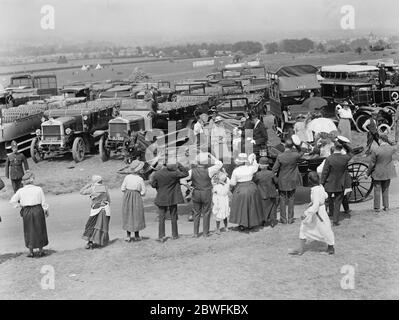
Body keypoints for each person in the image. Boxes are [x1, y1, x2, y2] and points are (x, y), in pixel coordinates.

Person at [289, 172, 335, 255]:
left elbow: (316, 205)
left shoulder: (315, 190)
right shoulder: (321, 187)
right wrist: (315, 201)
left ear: (309, 181)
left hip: (317, 213)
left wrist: (306, 213)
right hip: (321, 211)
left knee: (323, 229)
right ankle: (300, 249)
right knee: (308, 227)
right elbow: (325, 196)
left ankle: (330, 248)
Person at [181, 152, 223, 237]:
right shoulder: (210, 170)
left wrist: (189, 187)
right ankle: (205, 232)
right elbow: (219, 164)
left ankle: (195, 233)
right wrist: (210, 155)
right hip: (206, 192)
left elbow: (182, 180)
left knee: (196, 213)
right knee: (206, 212)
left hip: (196, 192)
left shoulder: (191, 171)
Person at [9, 172, 49, 258]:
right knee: (40, 229)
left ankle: (31, 251)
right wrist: (46, 210)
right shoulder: (38, 189)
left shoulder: (21, 191)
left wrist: (19, 206)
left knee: (29, 230)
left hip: (26, 211)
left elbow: (12, 201)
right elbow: (43, 202)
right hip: (38, 210)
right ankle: (41, 250)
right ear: (32, 180)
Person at [150, 158, 189, 242]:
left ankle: (161, 236)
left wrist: (159, 187)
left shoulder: (157, 174)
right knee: (173, 216)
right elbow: (186, 173)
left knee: (161, 218)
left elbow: (153, 185)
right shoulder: (174, 173)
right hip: (172, 197)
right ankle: (175, 235)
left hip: (161, 196)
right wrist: (179, 164)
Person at [272, 136, 304, 224]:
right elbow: (301, 152)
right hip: (293, 179)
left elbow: (274, 170)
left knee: (282, 198)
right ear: (292, 146)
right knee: (291, 199)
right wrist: (297, 145)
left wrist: (275, 179)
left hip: (282, 179)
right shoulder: (295, 155)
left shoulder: (280, 156)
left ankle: (283, 218)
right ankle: (290, 218)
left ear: (285, 145)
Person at [320, 139, 352, 226]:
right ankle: (335, 221)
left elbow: (325, 173)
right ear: (341, 148)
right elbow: (350, 152)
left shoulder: (329, 159)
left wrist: (321, 183)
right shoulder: (345, 158)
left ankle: (322, 218)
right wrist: (344, 144)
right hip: (340, 184)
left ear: (333, 147)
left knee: (327, 201)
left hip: (329, 183)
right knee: (338, 202)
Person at [229, 153, 263, 230]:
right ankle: (251, 223)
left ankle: (242, 224)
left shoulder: (236, 171)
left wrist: (230, 189)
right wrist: (253, 158)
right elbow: (256, 165)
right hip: (251, 187)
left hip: (241, 188)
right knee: (252, 205)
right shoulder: (250, 168)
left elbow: (233, 183)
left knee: (241, 206)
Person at [366, 134, 398, 213]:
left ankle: (377, 208)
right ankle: (386, 206)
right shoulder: (391, 149)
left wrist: (367, 174)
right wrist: (389, 141)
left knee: (377, 190)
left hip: (378, 173)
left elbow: (372, 164)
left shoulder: (376, 150)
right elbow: (396, 145)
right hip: (388, 173)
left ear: (380, 140)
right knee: (385, 189)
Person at [80, 175, 111, 249]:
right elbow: (109, 199)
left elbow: (81, 192)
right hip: (105, 209)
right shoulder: (104, 188)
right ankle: (100, 240)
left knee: (91, 225)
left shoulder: (92, 188)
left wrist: (87, 185)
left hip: (95, 209)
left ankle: (90, 242)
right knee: (101, 225)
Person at [120, 160, 146, 242]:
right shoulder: (140, 179)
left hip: (127, 196)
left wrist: (128, 192)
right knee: (136, 214)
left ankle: (128, 236)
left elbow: (122, 188)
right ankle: (137, 235)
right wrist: (139, 193)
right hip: (136, 196)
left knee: (128, 214)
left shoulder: (127, 177)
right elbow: (143, 192)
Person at [253, 157, 279, 228]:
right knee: (272, 208)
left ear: (260, 165)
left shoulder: (257, 174)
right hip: (272, 193)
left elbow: (254, 182)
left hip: (262, 193)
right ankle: (272, 222)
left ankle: (263, 221)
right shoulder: (271, 173)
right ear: (267, 165)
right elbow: (276, 181)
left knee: (263, 208)